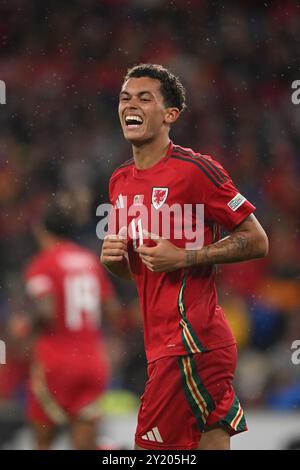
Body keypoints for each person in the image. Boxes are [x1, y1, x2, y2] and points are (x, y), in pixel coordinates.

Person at [101, 64, 269, 450]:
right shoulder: (119, 181)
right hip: (173, 344)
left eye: (145, 98)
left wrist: (185, 257)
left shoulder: (196, 170)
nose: (132, 104)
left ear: (170, 115)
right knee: (208, 444)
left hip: (190, 342)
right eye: (126, 97)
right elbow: (144, 271)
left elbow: (257, 240)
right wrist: (116, 265)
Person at [24, 201, 119, 450]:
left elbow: (46, 310)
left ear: (42, 231)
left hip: (56, 363)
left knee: (43, 441)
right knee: (85, 443)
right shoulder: (89, 261)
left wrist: (25, 325)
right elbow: (111, 309)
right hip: (91, 361)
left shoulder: (43, 263)